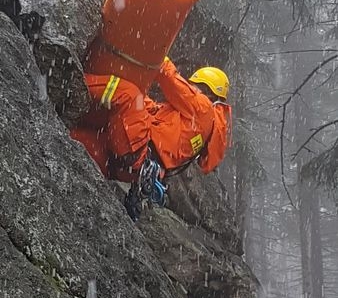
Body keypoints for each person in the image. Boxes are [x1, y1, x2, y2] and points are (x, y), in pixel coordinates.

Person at [71, 58, 232, 219]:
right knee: (75, 140)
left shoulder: (203, 108)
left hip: (137, 150)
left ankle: (74, 81)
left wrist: (161, 56)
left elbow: (171, 80)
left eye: (194, 87)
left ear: (205, 90)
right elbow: (151, 112)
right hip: (128, 166)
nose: (191, 90)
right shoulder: (198, 124)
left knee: (129, 94)